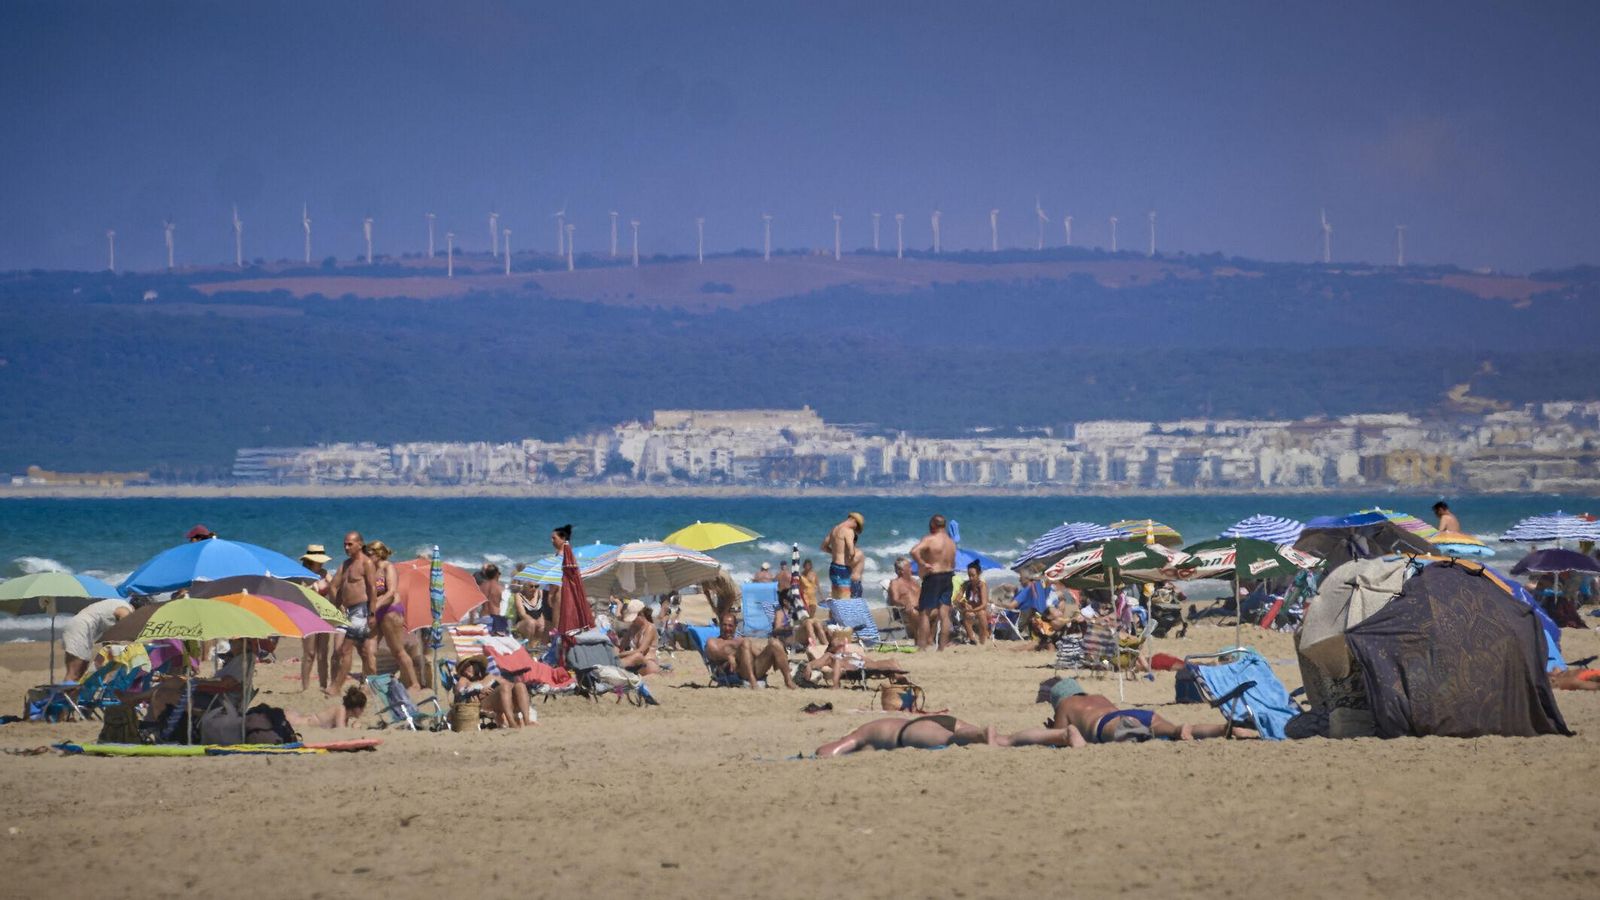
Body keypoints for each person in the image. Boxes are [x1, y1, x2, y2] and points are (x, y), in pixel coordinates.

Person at [1033, 677, 1249, 743]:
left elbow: (1060, 737)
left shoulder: (1065, 705)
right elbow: (1117, 714)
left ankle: (1177, 731)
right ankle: (1223, 729)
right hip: (1134, 714)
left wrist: (1054, 726)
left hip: (1109, 725)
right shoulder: (1099, 697)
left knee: (1167, 734)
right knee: (1176, 731)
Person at [327, 531, 380, 696]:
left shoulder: (367, 563)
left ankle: (336, 687)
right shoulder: (345, 564)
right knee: (364, 652)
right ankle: (371, 683)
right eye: (344, 544)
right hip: (347, 611)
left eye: (350, 544)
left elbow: (372, 589)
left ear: (360, 544)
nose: (346, 547)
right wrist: (338, 606)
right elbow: (333, 586)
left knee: (346, 649)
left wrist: (372, 613)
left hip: (361, 610)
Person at [365, 540, 420, 689]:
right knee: (369, 648)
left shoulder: (388, 567)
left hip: (390, 610)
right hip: (375, 611)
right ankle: (371, 682)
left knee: (397, 651)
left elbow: (391, 592)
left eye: (369, 554)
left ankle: (414, 683)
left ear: (378, 554)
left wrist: (374, 608)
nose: (366, 557)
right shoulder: (370, 569)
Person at [703, 613, 796, 689]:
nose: (727, 628)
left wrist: (773, 655)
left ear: (735, 627)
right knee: (745, 642)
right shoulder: (713, 641)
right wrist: (728, 657)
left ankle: (788, 680)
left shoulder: (739, 640)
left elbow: (759, 654)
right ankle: (752, 681)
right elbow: (713, 654)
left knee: (774, 643)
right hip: (738, 672)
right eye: (724, 625)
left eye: (730, 626)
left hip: (755, 668)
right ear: (720, 625)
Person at [910, 514, 957, 650]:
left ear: (933, 525)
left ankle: (922, 647)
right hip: (948, 576)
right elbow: (953, 563)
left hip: (934, 576)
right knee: (944, 614)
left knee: (924, 612)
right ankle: (941, 647)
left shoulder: (930, 539)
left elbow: (914, 551)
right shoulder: (951, 542)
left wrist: (922, 563)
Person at [61, 597, 134, 681]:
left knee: (81, 672)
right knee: (74, 673)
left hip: (82, 629)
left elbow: (110, 641)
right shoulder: (126, 609)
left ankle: (69, 692)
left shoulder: (118, 604)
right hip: (80, 628)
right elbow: (123, 619)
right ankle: (61, 694)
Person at [455, 655, 532, 728]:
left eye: (466, 667)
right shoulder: (464, 680)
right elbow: (459, 694)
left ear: (474, 664)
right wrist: (478, 691)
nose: (465, 672)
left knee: (520, 686)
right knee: (503, 687)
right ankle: (511, 723)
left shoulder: (491, 676)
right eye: (462, 671)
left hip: (505, 701)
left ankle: (527, 721)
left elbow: (510, 686)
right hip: (485, 704)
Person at [298, 543, 335, 692]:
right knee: (309, 653)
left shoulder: (325, 573)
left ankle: (323, 686)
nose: (321, 562)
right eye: (318, 560)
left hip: (324, 615)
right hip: (307, 615)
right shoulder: (301, 574)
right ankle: (305, 688)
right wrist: (310, 589)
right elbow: (297, 594)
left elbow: (335, 590)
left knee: (323, 653)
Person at [821, 512, 865, 601]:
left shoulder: (835, 529)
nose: (855, 529)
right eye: (856, 526)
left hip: (833, 567)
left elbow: (823, 547)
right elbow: (851, 551)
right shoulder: (848, 531)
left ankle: (835, 615)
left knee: (836, 598)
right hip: (842, 568)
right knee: (845, 599)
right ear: (854, 521)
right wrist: (849, 558)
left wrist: (835, 553)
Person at [616, 600, 662, 676]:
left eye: (634, 618)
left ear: (641, 615)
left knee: (638, 656)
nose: (632, 621)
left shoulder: (650, 628)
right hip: (635, 664)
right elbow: (621, 646)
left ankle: (614, 666)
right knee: (615, 648)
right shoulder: (633, 627)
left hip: (648, 663)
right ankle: (614, 666)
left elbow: (641, 651)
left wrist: (621, 654)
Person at [288, 686, 368, 729]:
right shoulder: (341, 710)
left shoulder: (345, 716)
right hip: (298, 722)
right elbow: (342, 732)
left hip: (301, 719)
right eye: (362, 708)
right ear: (357, 708)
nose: (363, 711)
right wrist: (354, 729)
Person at [955, 560, 992, 645]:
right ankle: (971, 638)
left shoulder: (982, 586)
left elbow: (983, 604)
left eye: (973, 575)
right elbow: (956, 599)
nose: (971, 578)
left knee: (981, 613)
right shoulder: (966, 585)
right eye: (969, 575)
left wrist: (972, 610)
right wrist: (963, 603)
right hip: (970, 611)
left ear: (979, 574)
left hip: (981, 610)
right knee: (967, 614)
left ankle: (985, 635)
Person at [886, 557, 922, 638]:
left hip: (921, 607)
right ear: (900, 571)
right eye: (908, 567)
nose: (911, 569)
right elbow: (894, 600)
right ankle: (918, 636)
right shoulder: (895, 583)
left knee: (937, 610)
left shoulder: (914, 581)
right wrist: (906, 604)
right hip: (905, 611)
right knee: (913, 611)